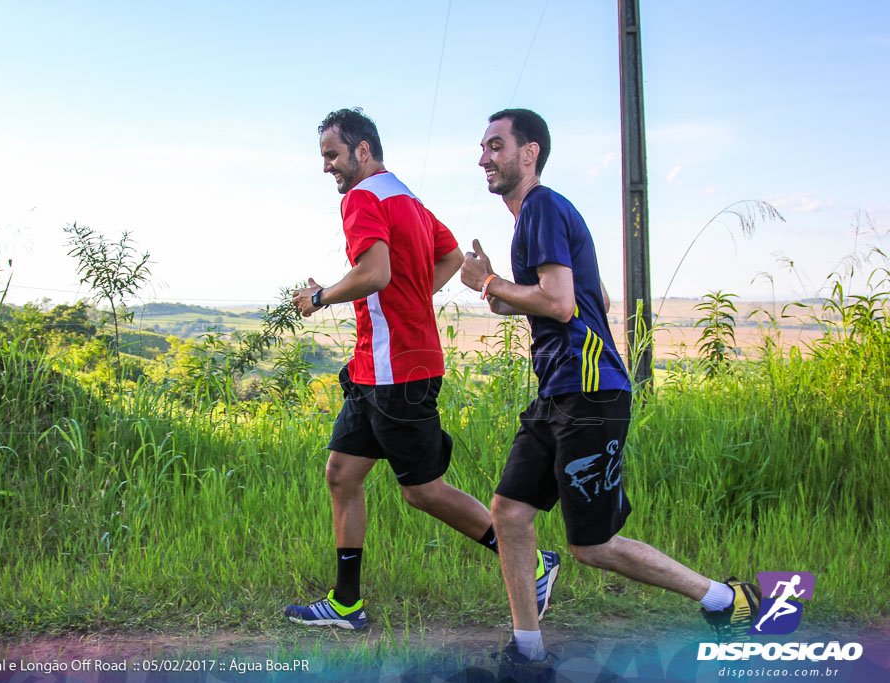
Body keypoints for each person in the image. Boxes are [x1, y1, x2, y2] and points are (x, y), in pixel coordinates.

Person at [460, 108, 760, 663]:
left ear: (530, 153)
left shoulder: (543, 206)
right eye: (483, 147)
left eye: (496, 146)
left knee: (591, 545)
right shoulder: (532, 218)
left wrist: (492, 281)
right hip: (559, 393)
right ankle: (527, 653)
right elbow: (534, 302)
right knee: (509, 512)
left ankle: (727, 599)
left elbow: (558, 302)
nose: (484, 157)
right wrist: (492, 287)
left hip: (592, 392)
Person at [283, 108, 560, 630]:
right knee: (342, 474)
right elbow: (451, 256)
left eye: (332, 155)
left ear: (363, 150)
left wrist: (320, 296)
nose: (327, 168)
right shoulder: (403, 196)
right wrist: (413, 297)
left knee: (422, 490)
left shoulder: (362, 198)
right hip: (375, 368)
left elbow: (374, 272)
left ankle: (535, 561)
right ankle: (347, 603)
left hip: (396, 372)